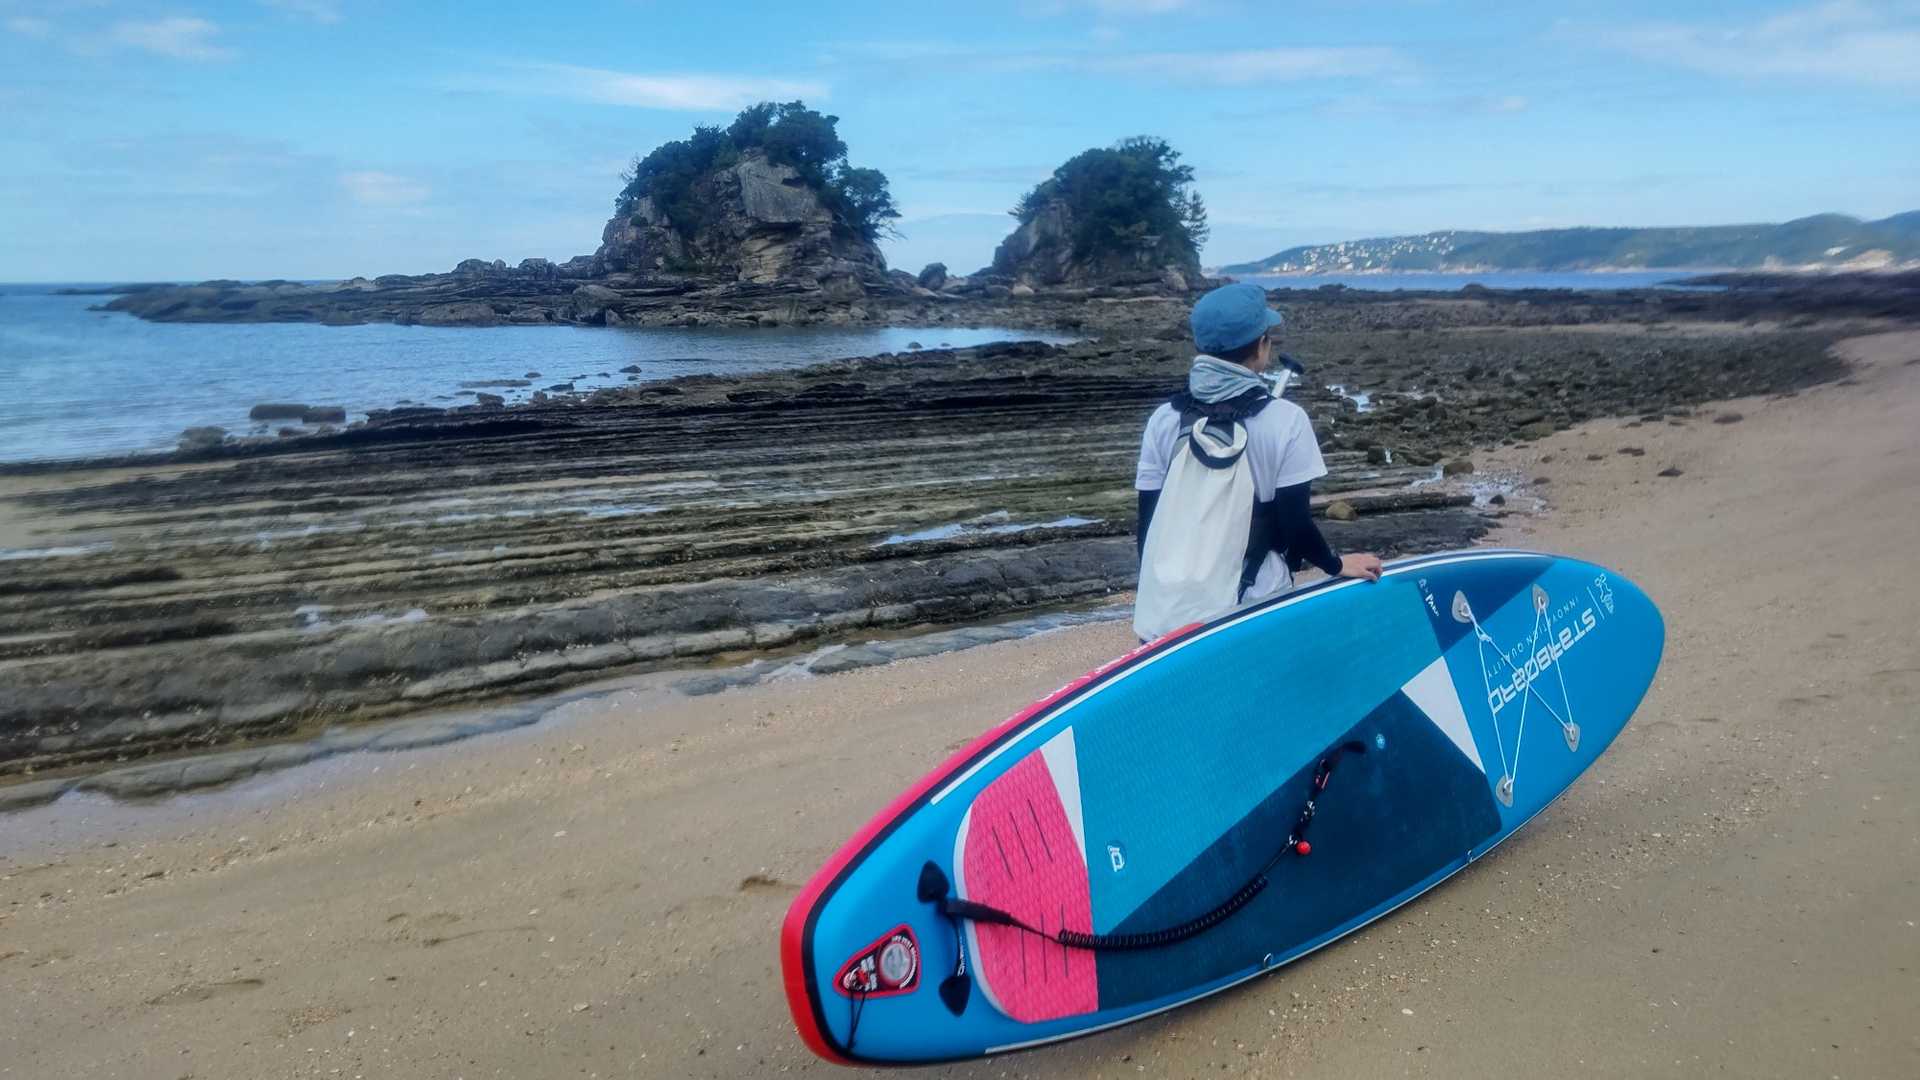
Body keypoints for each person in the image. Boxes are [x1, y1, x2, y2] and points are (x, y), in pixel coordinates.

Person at [1133, 282, 1382, 639]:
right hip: (1253, 603)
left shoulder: (1163, 420)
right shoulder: (1286, 420)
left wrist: (1156, 595)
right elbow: (1295, 525)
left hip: (1167, 609)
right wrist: (1335, 564)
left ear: (1200, 347)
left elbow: (1148, 525)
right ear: (1262, 346)